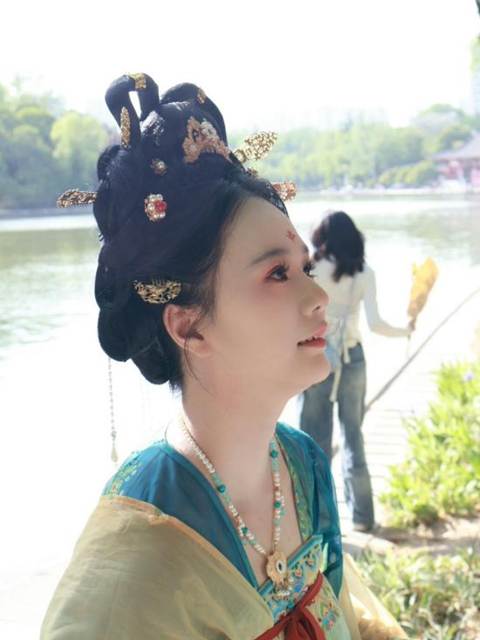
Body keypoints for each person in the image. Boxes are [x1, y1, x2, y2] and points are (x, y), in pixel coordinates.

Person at [41, 75, 406, 639]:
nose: (318, 296)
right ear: (189, 326)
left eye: (306, 268)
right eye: (277, 273)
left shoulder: (303, 466)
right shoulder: (138, 553)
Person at [300, 211, 411, 534]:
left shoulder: (311, 270)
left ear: (320, 237)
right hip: (353, 359)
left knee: (313, 443)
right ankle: (363, 517)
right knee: (353, 436)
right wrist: (405, 331)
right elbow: (376, 324)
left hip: (318, 355)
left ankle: (319, 525)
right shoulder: (364, 273)